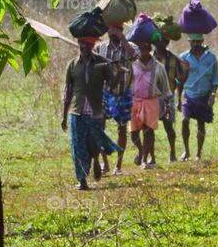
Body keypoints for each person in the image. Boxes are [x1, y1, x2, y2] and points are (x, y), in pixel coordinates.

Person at [61, 37, 122, 190]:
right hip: (77, 112)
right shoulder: (73, 65)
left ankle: (95, 159)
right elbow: (67, 92)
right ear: (78, 44)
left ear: (93, 45)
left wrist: (118, 74)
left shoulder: (102, 64)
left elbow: (111, 87)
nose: (84, 46)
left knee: (94, 143)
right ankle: (82, 180)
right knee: (78, 146)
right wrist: (64, 116)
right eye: (81, 43)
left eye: (87, 44)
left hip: (95, 112)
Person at [96, 25, 136, 175]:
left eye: (117, 29)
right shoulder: (100, 48)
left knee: (122, 129)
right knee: (100, 128)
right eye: (111, 30)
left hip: (123, 93)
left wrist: (122, 38)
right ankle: (104, 163)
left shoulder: (129, 47)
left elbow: (133, 56)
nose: (113, 32)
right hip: (105, 93)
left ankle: (118, 166)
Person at [129, 41, 172, 169]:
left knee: (148, 131)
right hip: (135, 102)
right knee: (134, 133)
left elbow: (165, 88)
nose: (143, 51)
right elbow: (127, 84)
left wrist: (168, 105)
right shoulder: (133, 66)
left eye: (145, 48)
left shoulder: (159, 67)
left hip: (151, 101)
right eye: (140, 48)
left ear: (149, 48)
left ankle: (144, 160)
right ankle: (141, 150)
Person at [179, 33, 218, 161]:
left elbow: (215, 79)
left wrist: (213, 94)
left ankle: (198, 153)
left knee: (201, 123)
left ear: (202, 40)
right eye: (192, 42)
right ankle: (186, 151)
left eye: (197, 41)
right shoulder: (184, 57)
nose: (195, 44)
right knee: (184, 120)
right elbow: (179, 80)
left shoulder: (211, 58)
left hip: (204, 95)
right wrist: (178, 99)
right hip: (189, 95)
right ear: (189, 41)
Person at [153, 35, 189, 163]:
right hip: (152, 97)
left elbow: (180, 80)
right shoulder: (149, 58)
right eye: (159, 41)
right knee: (150, 128)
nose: (161, 43)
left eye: (164, 41)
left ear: (167, 42)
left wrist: (186, 72)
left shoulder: (174, 59)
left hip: (168, 97)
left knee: (169, 126)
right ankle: (151, 157)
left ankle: (172, 152)